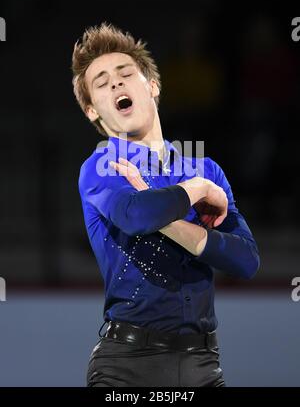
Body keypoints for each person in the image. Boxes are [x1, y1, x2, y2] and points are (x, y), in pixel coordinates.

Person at [71, 23, 260, 387]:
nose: (116, 83)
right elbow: (136, 214)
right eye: (102, 82)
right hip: (125, 368)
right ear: (93, 111)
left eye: (125, 74)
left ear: (152, 86)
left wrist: (170, 209)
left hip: (203, 367)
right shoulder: (102, 165)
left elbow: (245, 260)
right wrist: (194, 191)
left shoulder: (204, 168)